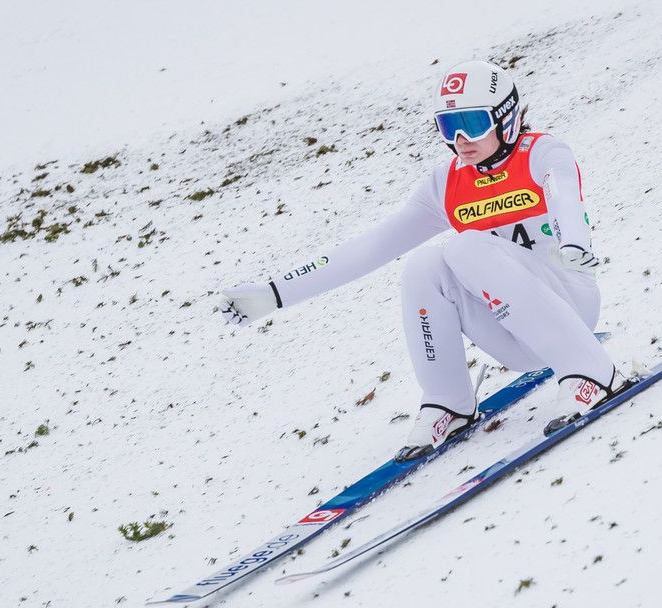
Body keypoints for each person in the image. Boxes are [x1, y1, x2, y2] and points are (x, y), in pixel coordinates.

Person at [220, 60, 628, 461]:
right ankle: (448, 401)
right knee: (424, 265)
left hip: (571, 307)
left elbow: (562, 192)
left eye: (473, 123)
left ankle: (592, 371)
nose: (461, 139)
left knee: (463, 247)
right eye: (449, 127)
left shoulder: (541, 152)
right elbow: (371, 247)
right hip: (514, 335)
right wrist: (275, 293)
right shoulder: (446, 183)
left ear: (506, 118)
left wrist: (573, 238)